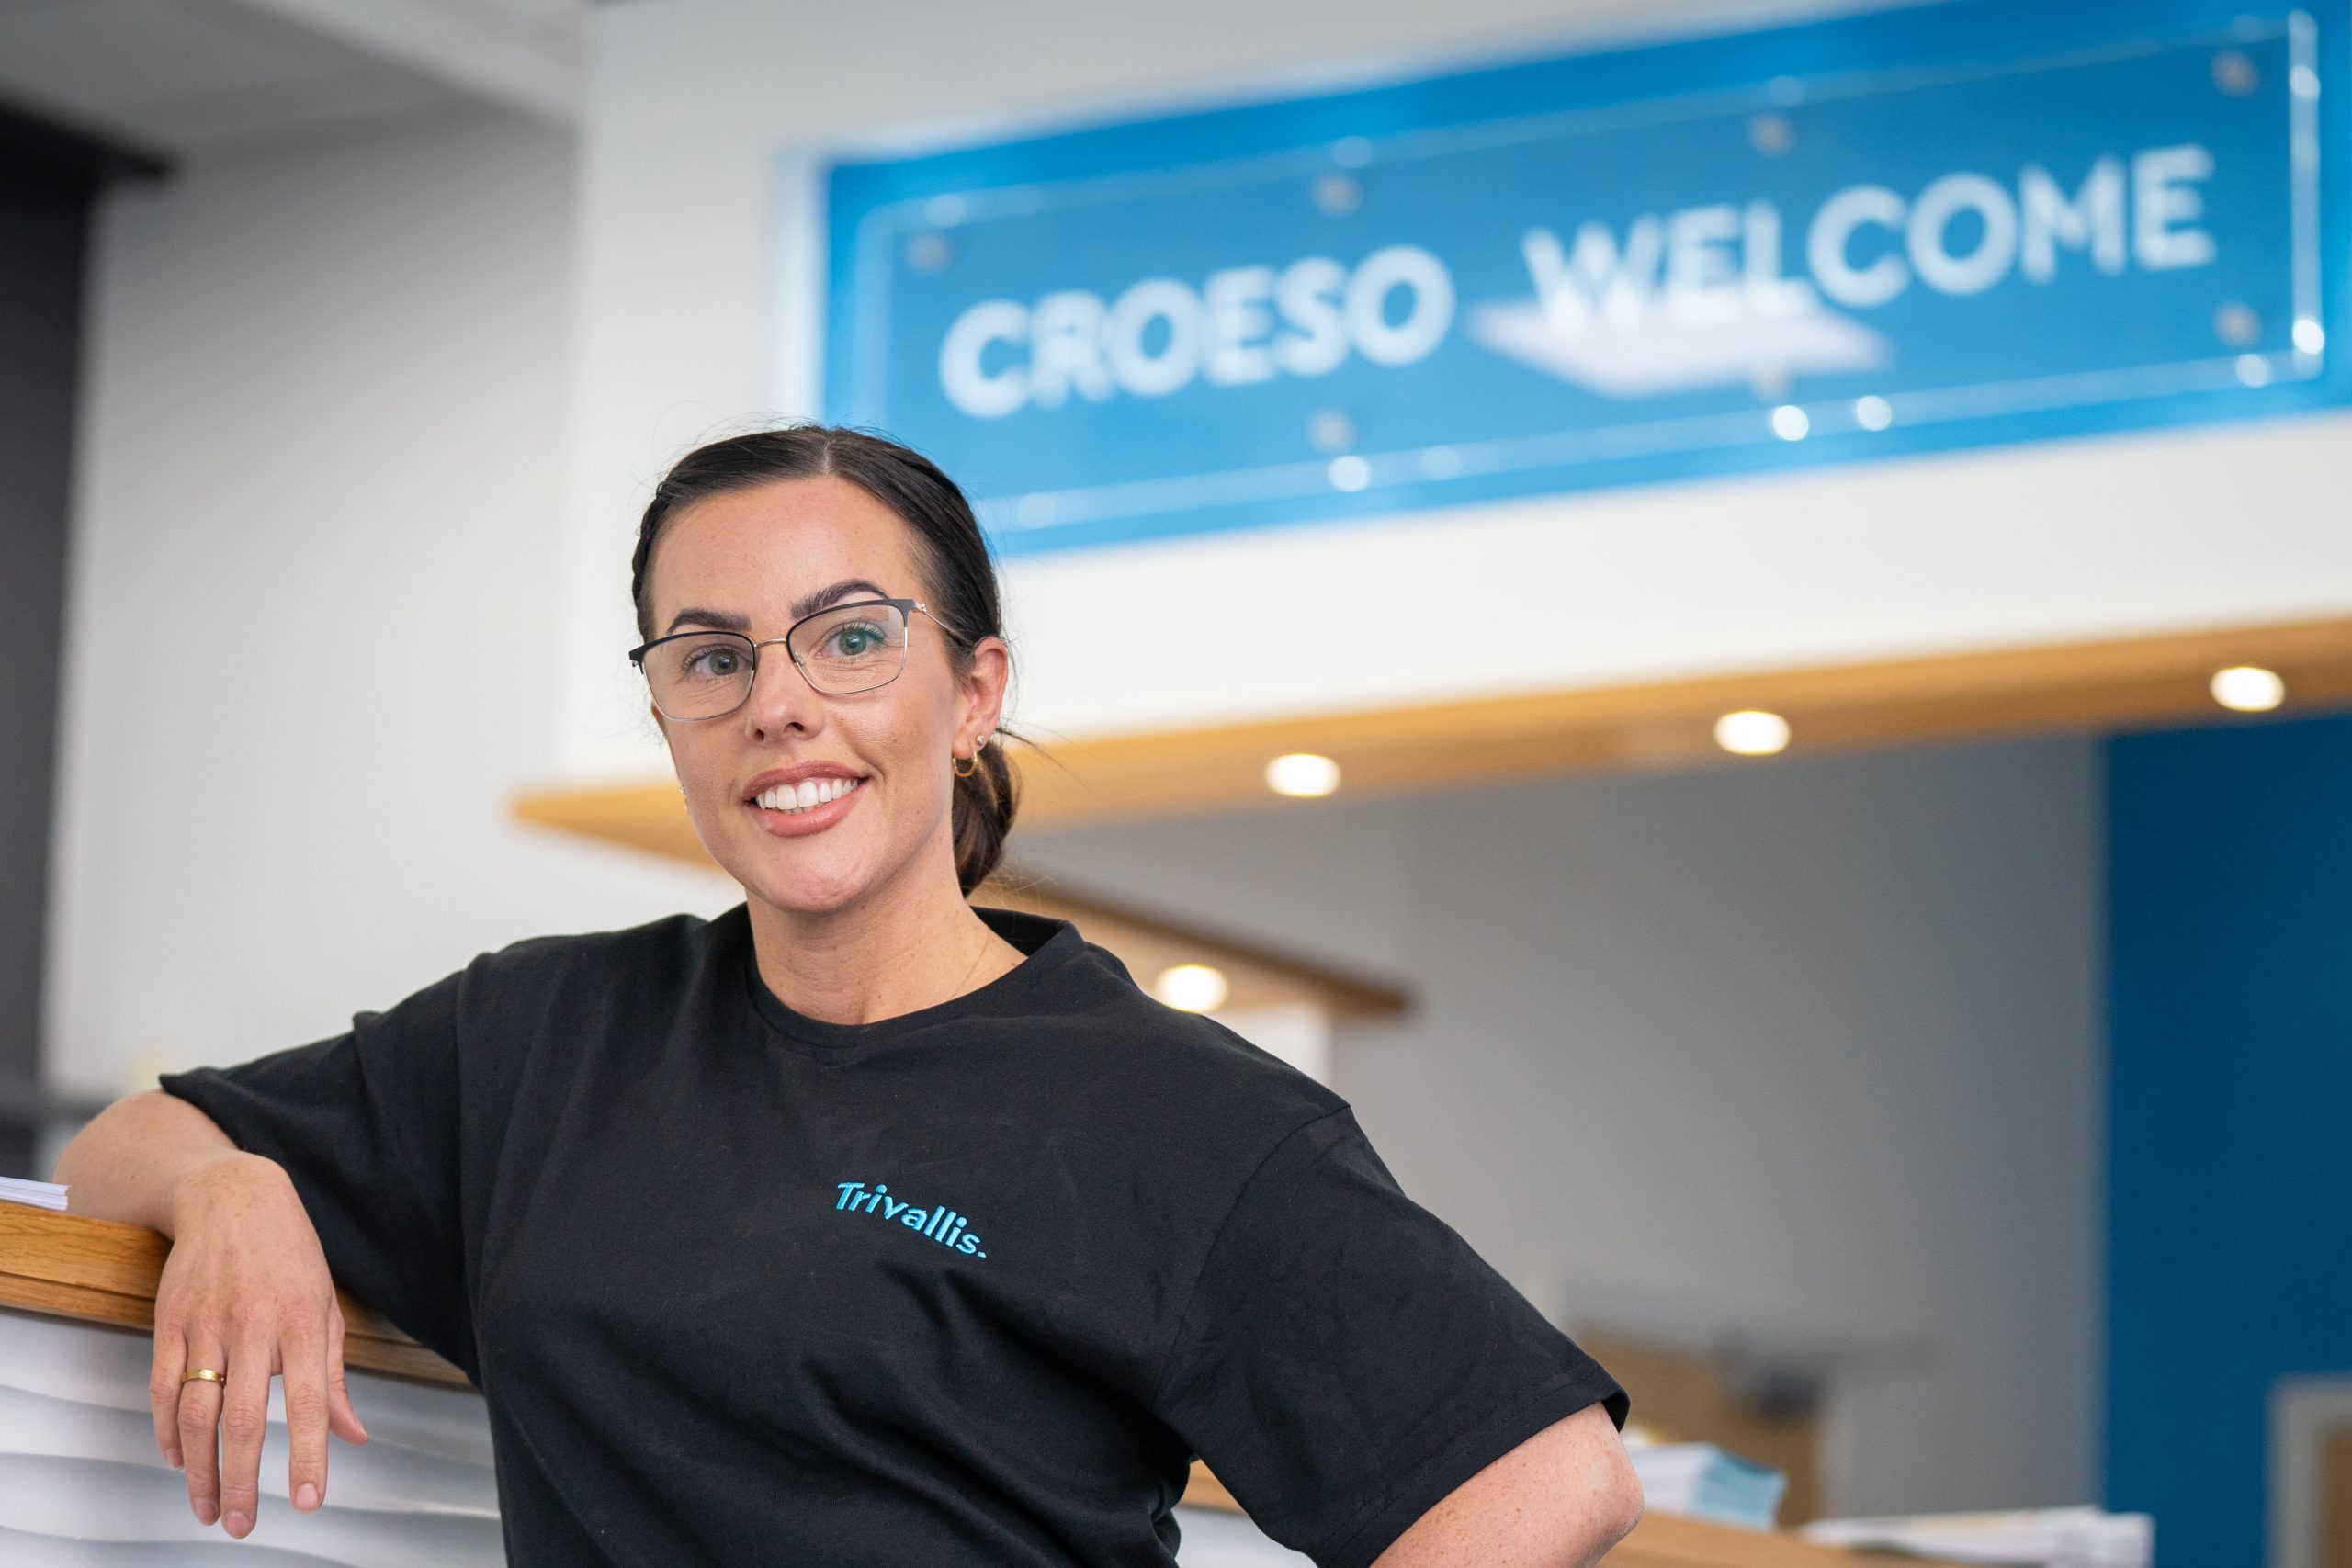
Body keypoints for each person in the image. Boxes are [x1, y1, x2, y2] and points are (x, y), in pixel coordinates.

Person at [52, 423, 1642, 1567]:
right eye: (711, 657)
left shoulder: (1179, 1114)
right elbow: (127, 1139)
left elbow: (1553, 1480)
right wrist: (236, 1181)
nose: (781, 708)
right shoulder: (545, 1036)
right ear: (668, 711)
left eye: (851, 640)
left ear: (972, 693)